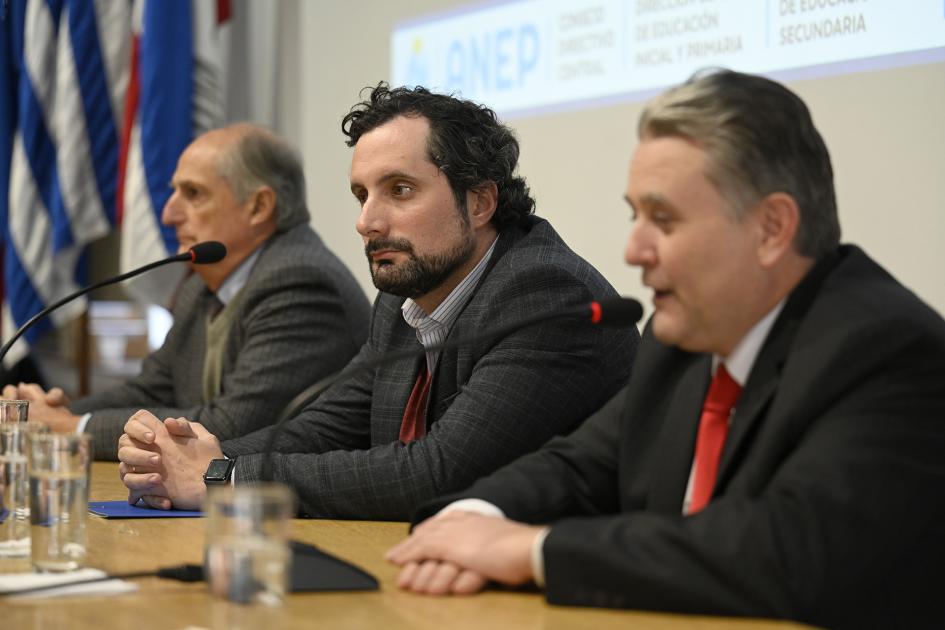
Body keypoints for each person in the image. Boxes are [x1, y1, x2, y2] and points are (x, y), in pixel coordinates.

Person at [386, 70, 945, 630]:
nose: (634, 250)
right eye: (636, 216)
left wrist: (532, 551)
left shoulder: (887, 350)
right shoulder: (681, 341)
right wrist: (468, 522)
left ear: (772, 228)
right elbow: (579, 467)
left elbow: (785, 550)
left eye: (665, 219)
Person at [115, 85, 638, 520]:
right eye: (362, 195)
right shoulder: (405, 299)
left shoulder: (544, 293)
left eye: (401, 190)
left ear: (479, 201)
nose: (368, 221)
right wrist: (185, 458)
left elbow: (440, 473)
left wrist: (223, 478)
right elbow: (324, 427)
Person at [3, 124, 371, 460]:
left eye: (193, 194)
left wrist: (72, 429)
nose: (169, 214)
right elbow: (150, 391)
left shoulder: (300, 282)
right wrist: (56, 415)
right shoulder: (203, 285)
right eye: (174, 193)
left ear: (259, 206)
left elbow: (231, 427)